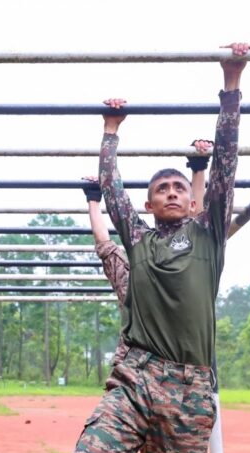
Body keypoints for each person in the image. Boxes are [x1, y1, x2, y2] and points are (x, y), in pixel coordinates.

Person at [58, 42, 250, 453]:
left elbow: (227, 161)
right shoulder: (139, 241)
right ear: (149, 204)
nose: (169, 193)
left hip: (189, 387)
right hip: (134, 377)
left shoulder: (209, 235)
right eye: (160, 188)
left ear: (192, 200)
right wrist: (111, 131)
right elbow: (111, 188)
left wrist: (232, 83)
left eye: (177, 187)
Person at [82, 139, 211, 366]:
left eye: (177, 189)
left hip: (176, 357)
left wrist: (198, 168)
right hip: (141, 360)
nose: (171, 194)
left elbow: (194, 223)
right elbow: (105, 246)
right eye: (165, 190)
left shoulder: (182, 255)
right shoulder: (129, 271)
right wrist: (94, 198)